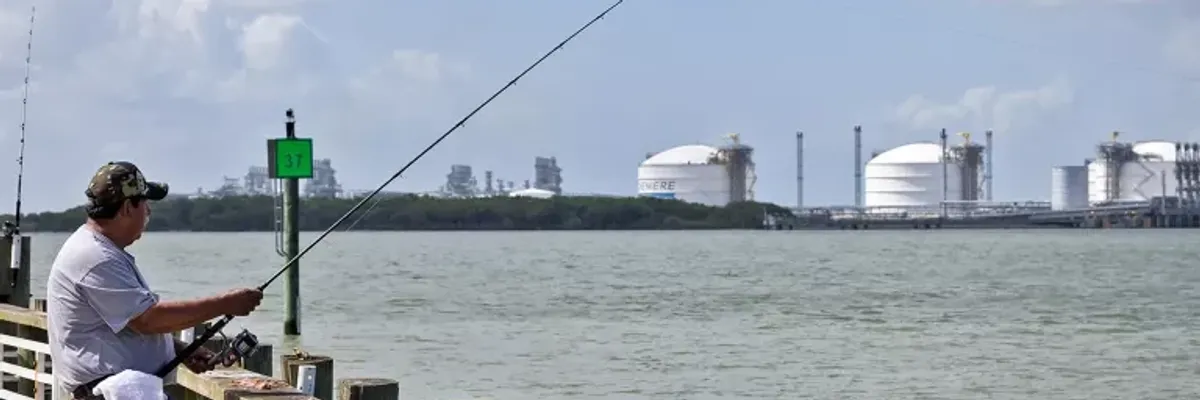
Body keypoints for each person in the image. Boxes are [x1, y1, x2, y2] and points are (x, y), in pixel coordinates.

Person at [45, 161, 264, 399]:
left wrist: (177, 349)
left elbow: (124, 322)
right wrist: (226, 303)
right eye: (145, 203)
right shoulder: (95, 257)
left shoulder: (99, 249)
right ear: (128, 207)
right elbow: (148, 320)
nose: (148, 211)